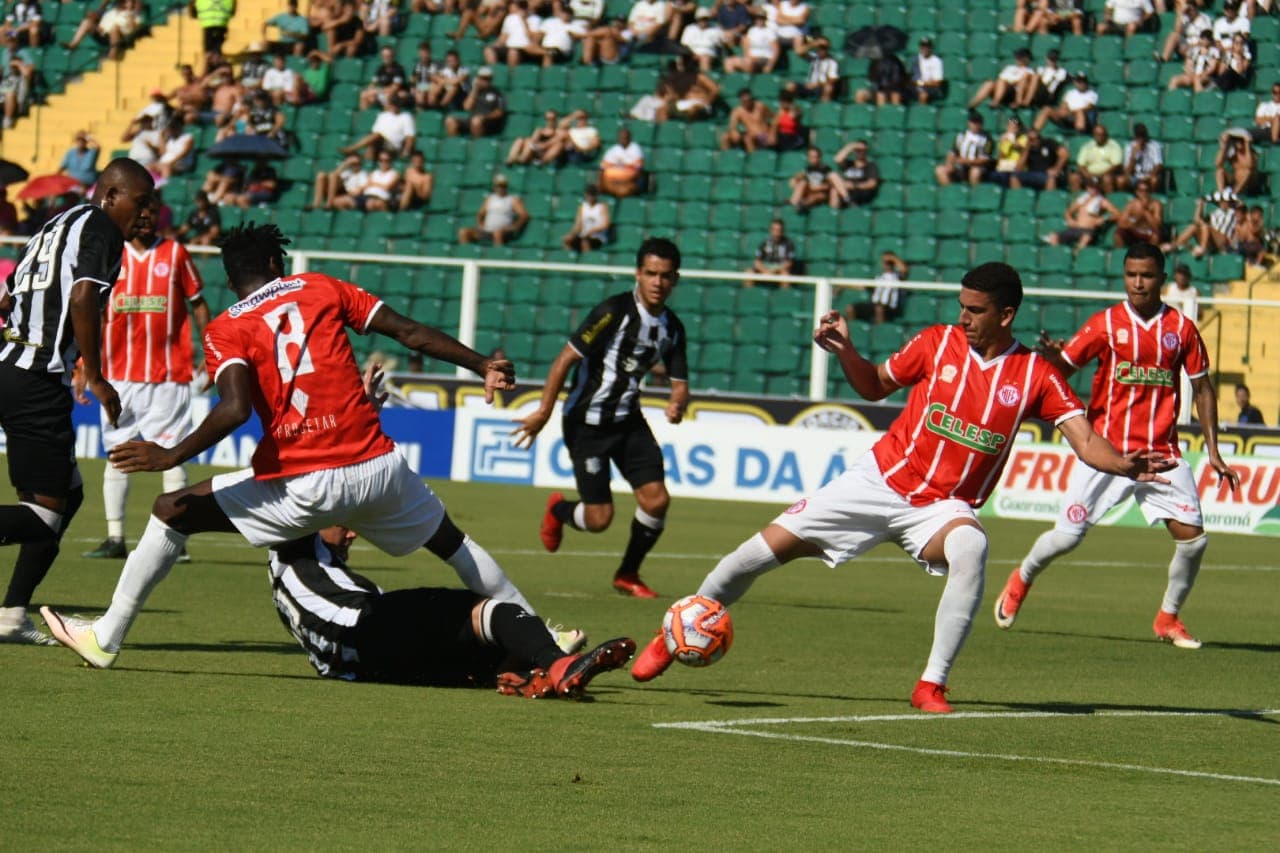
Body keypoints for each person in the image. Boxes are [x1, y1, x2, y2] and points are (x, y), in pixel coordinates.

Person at [628, 261, 1174, 712]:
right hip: (878, 480)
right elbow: (873, 385)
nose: (963, 317)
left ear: (1006, 315)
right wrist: (846, 350)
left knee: (971, 546)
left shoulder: (1036, 375)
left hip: (941, 508)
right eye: (961, 306)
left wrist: (1123, 464)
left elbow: (1085, 440)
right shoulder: (936, 343)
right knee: (753, 555)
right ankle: (674, 635)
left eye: (975, 310)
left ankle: (931, 684)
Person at [41, 223, 553, 669]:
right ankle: (542, 638)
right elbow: (408, 332)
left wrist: (171, 454)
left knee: (170, 509)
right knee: (453, 544)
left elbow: (235, 408)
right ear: (275, 262)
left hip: (306, 484)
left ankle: (106, 637)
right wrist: (481, 364)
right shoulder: (322, 287)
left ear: (230, 280)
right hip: (378, 468)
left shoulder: (226, 328)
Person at [995, 244, 1239, 650]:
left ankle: (1168, 617)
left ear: (1162, 279)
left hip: (1161, 454)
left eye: (1146, 275)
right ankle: (1022, 578)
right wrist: (1052, 359)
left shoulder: (1181, 329)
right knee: (1067, 537)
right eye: (1131, 275)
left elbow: (1203, 388)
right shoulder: (1105, 324)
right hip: (1107, 454)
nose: (1138, 283)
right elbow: (1060, 370)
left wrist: (1213, 451)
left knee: (1194, 541)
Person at [0, 158, 153, 645]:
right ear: (110, 196)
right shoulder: (102, 228)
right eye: (140, 202)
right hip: (36, 380)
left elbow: (7, 298)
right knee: (44, 515)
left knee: (69, 494)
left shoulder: (54, 224)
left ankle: (11, 614)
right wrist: (97, 374)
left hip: (11, 367)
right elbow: (84, 297)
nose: (146, 213)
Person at [513, 238, 689, 600]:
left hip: (628, 421)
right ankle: (559, 509)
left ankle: (628, 574)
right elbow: (564, 360)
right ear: (638, 274)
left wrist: (677, 403)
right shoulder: (614, 311)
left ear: (675, 279)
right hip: (586, 424)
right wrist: (543, 412)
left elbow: (680, 382)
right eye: (651, 274)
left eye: (665, 276)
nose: (657, 282)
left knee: (657, 501)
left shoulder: (672, 327)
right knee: (599, 520)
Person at [267, 525, 633, 696]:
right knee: (484, 612)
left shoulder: (306, 564)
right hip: (361, 625)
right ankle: (556, 659)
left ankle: (518, 674)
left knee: (468, 655)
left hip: (351, 665)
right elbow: (308, 482)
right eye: (344, 524)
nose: (353, 533)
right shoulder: (292, 538)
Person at [78, 196, 210, 562]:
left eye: (153, 211)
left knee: (173, 453)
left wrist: (211, 352)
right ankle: (115, 537)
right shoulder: (111, 254)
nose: (147, 217)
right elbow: (89, 310)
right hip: (118, 376)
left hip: (169, 374)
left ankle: (176, 542)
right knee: (118, 453)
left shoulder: (176, 253)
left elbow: (198, 304)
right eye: (141, 211)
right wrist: (84, 364)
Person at [1045, 178, 1120, 249]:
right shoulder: (1082, 199)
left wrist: (1104, 218)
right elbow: (1068, 211)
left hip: (1088, 230)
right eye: (1090, 187)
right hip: (1076, 229)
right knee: (1053, 236)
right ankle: (1060, 256)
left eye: (1094, 187)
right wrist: (1069, 219)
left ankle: (1077, 255)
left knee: (1085, 239)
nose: (1092, 189)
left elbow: (1117, 214)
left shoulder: (1102, 201)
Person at [457, 174, 530, 245]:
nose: (500, 188)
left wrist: (515, 227)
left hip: (503, 232)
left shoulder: (512, 200)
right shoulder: (490, 199)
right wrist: (480, 225)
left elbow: (524, 215)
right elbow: (480, 214)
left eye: (503, 186)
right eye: (498, 186)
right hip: (487, 231)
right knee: (463, 232)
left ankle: (498, 252)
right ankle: (465, 252)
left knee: (497, 233)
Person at [444, 67, 506, 138]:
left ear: (490, 80)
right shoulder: (475, 92)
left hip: (488, 122)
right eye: (481, 78)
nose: (483, 81)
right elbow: (467, 107)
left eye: (486, 79)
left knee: (476, 121)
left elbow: (499, 112)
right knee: (450, 120)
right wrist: (475, 89)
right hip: (473, 119)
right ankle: (454, 143)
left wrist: (485, 117)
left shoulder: (497, 93)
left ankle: (476, 143)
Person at [935, 111, 993, 186]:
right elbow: (952, 152)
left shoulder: (987, 139)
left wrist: (967, 161)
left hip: (976, 166)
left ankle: (974, 192)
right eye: (973, 123)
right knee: (940, 170)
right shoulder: (961, 135)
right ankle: (949, 190)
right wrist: (949, 164)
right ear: (969, 123)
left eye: (978, 123)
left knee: (975, 172)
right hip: (960, 166)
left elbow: (985, 159)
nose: (975, 125)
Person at [848, 251, 906, 324]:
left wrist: (892, 258)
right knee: (850, 308)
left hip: (889, 307)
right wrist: (844, 286)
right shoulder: (878, 277)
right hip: (874, 304)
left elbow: (904, 269)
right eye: (885, 262)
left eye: (889, 263)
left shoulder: (897, 276)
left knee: (879, 309)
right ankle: (852, 327)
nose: (887, 264)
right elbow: (862, 286)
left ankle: (879, 329)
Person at [1033, 71, 1097, 134]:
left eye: (1083, 82)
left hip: (1082, 117)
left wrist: (1073, 112)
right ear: (1075, 82)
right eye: (1079, 82)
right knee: (1047, 109)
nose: (1081, 84)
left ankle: (1080, 134)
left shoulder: (1091, 94)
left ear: (1086, 83)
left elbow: (1089, 107)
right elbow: (1064, 104)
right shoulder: (1070, 93)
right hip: (1068, 116)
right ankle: (1034, 131)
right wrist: (1064, 110)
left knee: (1079, 112)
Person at [1070, 123, 1124, 193]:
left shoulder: (1113, 146)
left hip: (1107, 174)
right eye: (1097, 134)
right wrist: (1087, 174)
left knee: (1107, 179)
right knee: (1074, 177)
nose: (1099, 136)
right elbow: (1080, 164)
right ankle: (1076, 197)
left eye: (1101, 134)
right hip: (1089, 175)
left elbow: (1116, 165)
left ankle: (1109, 198)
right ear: (1093, 135)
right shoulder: (1087, 146)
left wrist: (1102, 175)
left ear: (1106, 135)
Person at [789, 145, 844, 211]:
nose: (813, 159)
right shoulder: (808, 169)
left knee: (816, 196)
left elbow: (830, 185)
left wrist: (816, 187)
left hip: (822, 193)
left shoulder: (825, 169)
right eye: (811, 157)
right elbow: (795, 179)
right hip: (810, 191)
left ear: (819, 157)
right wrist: (796, 179)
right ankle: (793, 204)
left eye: (815, 157)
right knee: (802, 183)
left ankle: (802, 204)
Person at [745, 218, 797, 287]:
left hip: (779, 269)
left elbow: (789, 263)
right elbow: (757, 262)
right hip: (766, 268)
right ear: (771, 230)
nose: (777, 233)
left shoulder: (788, 244)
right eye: (774, 230)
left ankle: (784, 293)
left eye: (779, 230)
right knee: (749, 272)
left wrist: (774, 271)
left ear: (783, 231)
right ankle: (749, 293)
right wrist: (765, 271)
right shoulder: (764, 243)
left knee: (785, 275)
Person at [1113, 177, 1164, 248]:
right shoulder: (1131, 204)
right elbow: (1121, 223)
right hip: (1134, 230)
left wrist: (1145, 211)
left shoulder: (1156, 204)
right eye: (1141, 190)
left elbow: (1157, 225)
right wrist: (1135, 221)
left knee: (1156, 236)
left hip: (1148, 232)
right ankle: (1120, 253)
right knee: (1118, 234)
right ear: (1137, 192)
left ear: (1150, 192)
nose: (1144, 193)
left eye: (1146, 190)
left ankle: (1152, 252)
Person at [560, 185, 611, 253]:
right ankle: (568, 258)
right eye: (589, 194)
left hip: (598, 237)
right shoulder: (582, 207)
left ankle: (587, 258)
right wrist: (571, 234)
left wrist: (591, 231)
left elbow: (605, 225)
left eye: (592, 194)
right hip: (584, 235)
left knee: (585, 241)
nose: (590, 197)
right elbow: (578, 225)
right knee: (568, 241)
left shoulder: (602, 206)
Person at [598, 127, 645, 197]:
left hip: (630, 181)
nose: (623, 139)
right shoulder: (613, 150)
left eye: (625, 138)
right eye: (621, 138)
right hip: (614, 181)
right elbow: (602, 167)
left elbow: (638, 170)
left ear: (629, 138)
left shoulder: (635, 149)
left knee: (625, 189)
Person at [1118, 123, 1163, 192]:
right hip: (1135, 176)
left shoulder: (1154, 146)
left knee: (1154, 180)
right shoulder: (1130, 146)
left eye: (1143, 135)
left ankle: (1151, 197)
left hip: (1149, 175)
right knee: (1120, 180)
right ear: (1135, 136)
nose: (1141, 139)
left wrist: (1148, 176)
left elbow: (1158, 166)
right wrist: (1133, 156)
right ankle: (1127, 197)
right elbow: (1128, 171)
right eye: (1139, 136)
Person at [833, 138, 880, 205]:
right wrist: (851, 146)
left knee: (836, 190)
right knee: (834, 185)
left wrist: (853, 186)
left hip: (861, 192)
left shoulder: (870, 166)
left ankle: (848, 202)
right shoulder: (849, 164)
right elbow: (837, 159)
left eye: (863, 150)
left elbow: (872, 184)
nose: (860, 152)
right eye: (858, 150)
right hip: (847, 192)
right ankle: (846, 203)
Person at [910, 36, 945, 104]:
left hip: (930, 87)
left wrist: (921, 83)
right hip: (916, 86)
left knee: (923, 94)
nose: (925, 49)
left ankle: (921, 110)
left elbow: (937, 82)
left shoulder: (936, 61)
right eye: (923, 46)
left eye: (927, 47)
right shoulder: (916, 59)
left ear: (931, 48)